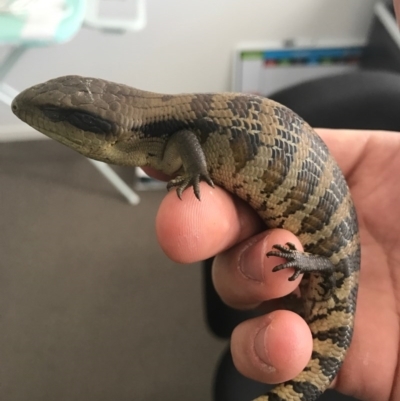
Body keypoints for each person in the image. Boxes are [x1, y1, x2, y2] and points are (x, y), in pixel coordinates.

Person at [147, 4, 400, 400]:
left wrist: (303, 263)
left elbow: (333, 265)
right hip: (321, 244)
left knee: (283, 334)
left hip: (325, 261)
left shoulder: (334, 291)